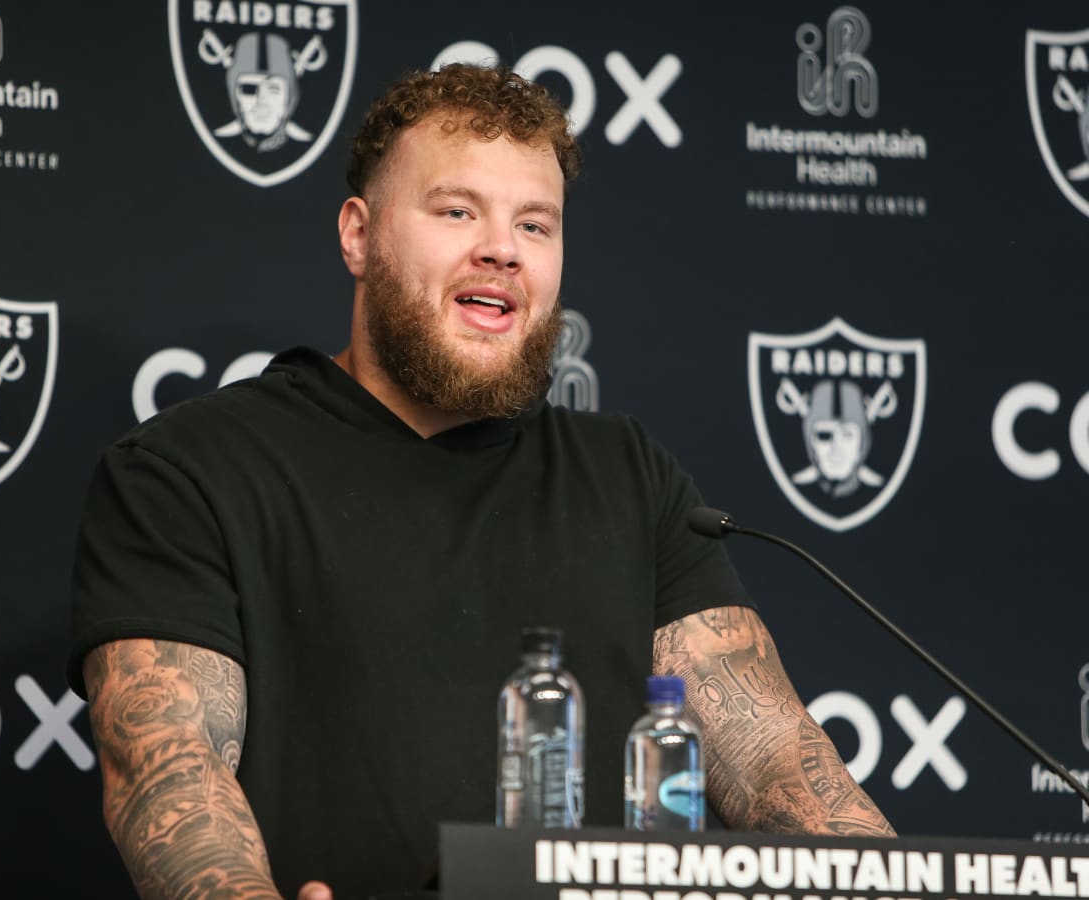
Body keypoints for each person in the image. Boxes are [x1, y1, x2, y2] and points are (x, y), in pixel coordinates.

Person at [67, 63, 894, 900]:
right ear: (358, 235)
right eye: (457, 211)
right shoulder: (189, 471)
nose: (501, 248)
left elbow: (775, 758)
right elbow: (169, 768)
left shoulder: (629, 476)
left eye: (535, 225)